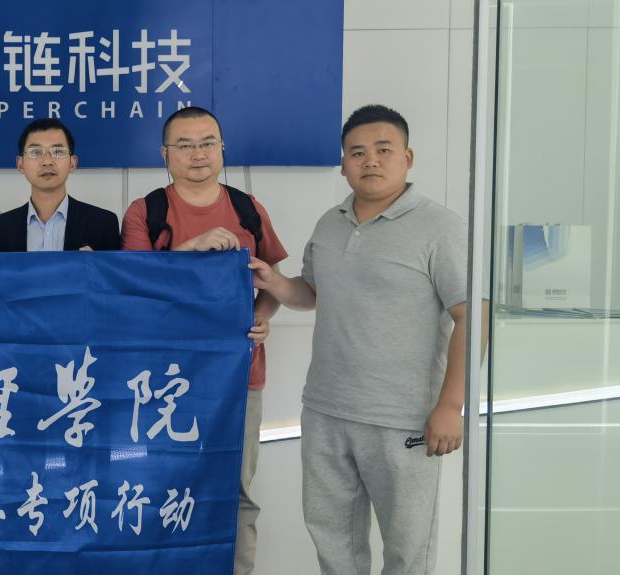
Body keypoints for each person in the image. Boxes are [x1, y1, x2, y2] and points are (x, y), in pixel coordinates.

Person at [249, 104, 467, 574]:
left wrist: (451, 405)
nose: (371, 160)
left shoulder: (441, 228)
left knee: (408, 551)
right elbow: (312, 293)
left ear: (407, 157)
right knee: (334, 544)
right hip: (326, 410)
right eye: (358, 152)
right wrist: (275, 282)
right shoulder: (330, 222)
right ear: (344, 163)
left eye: (383, 150)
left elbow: (473, 316)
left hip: (402, 419)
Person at [121, 106, 287, 575]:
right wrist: (188, 250)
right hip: (158, 381)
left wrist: (262, 315)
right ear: (164, 154)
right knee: (157, 486)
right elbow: (132, 288)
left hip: (237, 378)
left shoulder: (248, 209)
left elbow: (273, 280)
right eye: (185, 145)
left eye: (207, 143)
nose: (198, 154)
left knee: (235, 492)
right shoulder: (146, 211)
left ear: (222, 148)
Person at [0, 119, 119, 252]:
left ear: (72, 163)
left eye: (58, 152)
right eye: (35, 152)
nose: (47, 161)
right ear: (20, 164)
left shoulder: (103, 224)